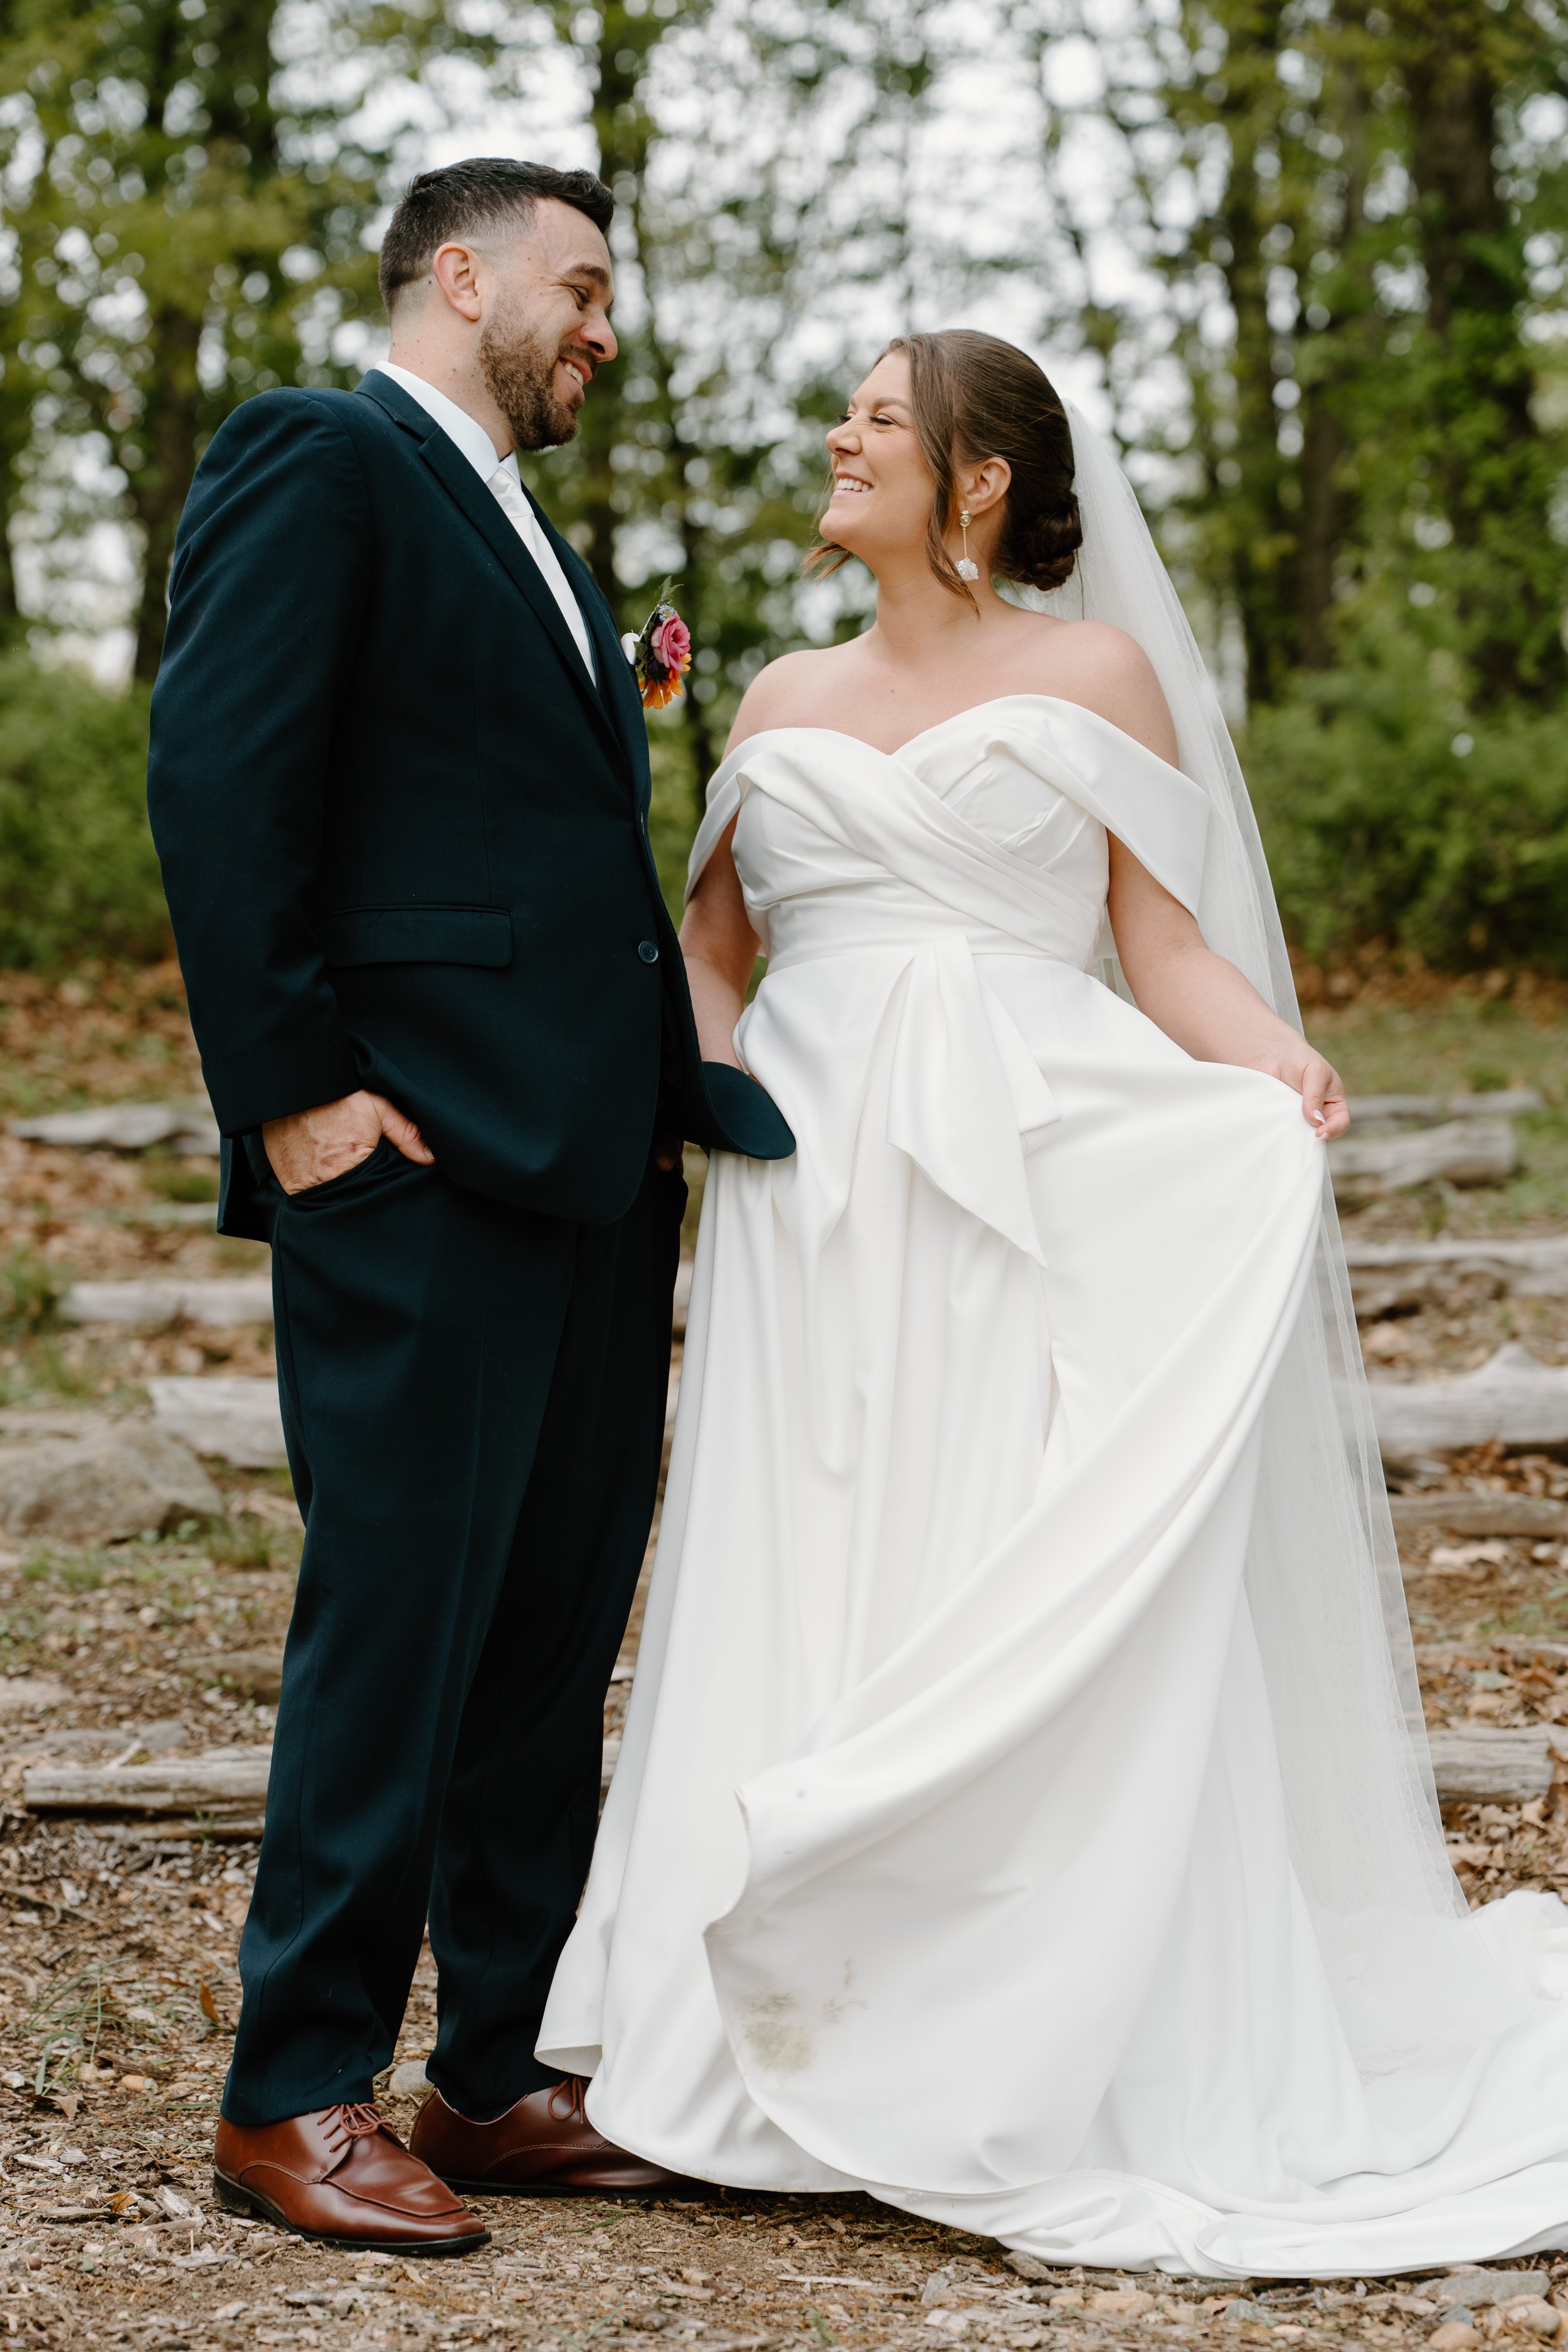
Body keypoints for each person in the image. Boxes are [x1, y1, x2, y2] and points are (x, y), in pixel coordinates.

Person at [537, 329, 1568, 2274]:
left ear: (978, 477)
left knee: (987, 1543)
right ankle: (748, 2026)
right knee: (802, 1548)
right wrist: (721, 1116)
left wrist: (1273, 1065)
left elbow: (1150, 940)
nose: (834, 437)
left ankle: (999, 2020)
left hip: (1027, 1167)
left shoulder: (1090, 674)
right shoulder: (775, 688)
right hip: (808, 1191)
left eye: (871, 416)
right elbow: (709, 950)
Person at [146, 156, 790, 2255]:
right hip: (408, 1159)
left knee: (543, 1633)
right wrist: (300, 1097)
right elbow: (222, 781)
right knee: (401, 1619)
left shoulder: (533, 530)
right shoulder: (318, 459)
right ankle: (292, 2089)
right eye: (579, 285)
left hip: (591, 1171)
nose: (604, 325)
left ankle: (495, 2066)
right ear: (459, 276)